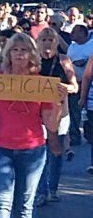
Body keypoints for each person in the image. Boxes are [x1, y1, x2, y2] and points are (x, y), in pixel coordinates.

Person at [0, 32, 62, 218]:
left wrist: (59, 102)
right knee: (1, 204)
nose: (19, 54)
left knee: (24, 206)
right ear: (7, 54)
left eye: (24, 50)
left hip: (32, 149)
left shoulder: (41, 84)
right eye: (14, 50)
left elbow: (51, 124)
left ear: (32, 54)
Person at [35, 28, 77, 206]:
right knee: (40, 152)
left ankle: (53, 188)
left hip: (60, 112)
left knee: (56, 151)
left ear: (56, 42)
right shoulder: (33, 61)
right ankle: (42, 191)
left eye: (50, 40)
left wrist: (67, 88)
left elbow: (74, 86)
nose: (47, 43)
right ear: (38, 42)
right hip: (37, 113)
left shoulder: (63, 60)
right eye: (43, 39)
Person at [66, 24, 93, 146]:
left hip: (88, 84)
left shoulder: (91, 45)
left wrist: (85, 62)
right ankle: (75, 136)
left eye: (75, 31)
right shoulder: (71, 46)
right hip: (75, 82)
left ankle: (88, 134)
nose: (71, 34)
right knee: (74, 111)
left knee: (88, 111)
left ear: (83, 33)